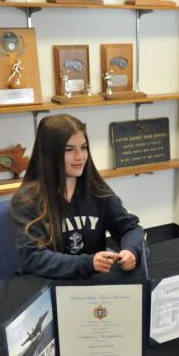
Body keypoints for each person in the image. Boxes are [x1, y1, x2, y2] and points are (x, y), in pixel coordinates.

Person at [9, 114, 144, 278]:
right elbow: (35, 257)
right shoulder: (26, 201)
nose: (80, 156)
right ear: (50, 154)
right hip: (45, 288)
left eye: (84, 147)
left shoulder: (97, 192)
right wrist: (88, 263)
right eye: (69, 149)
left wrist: (131, 251)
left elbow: (130, 227)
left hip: (91, 286)